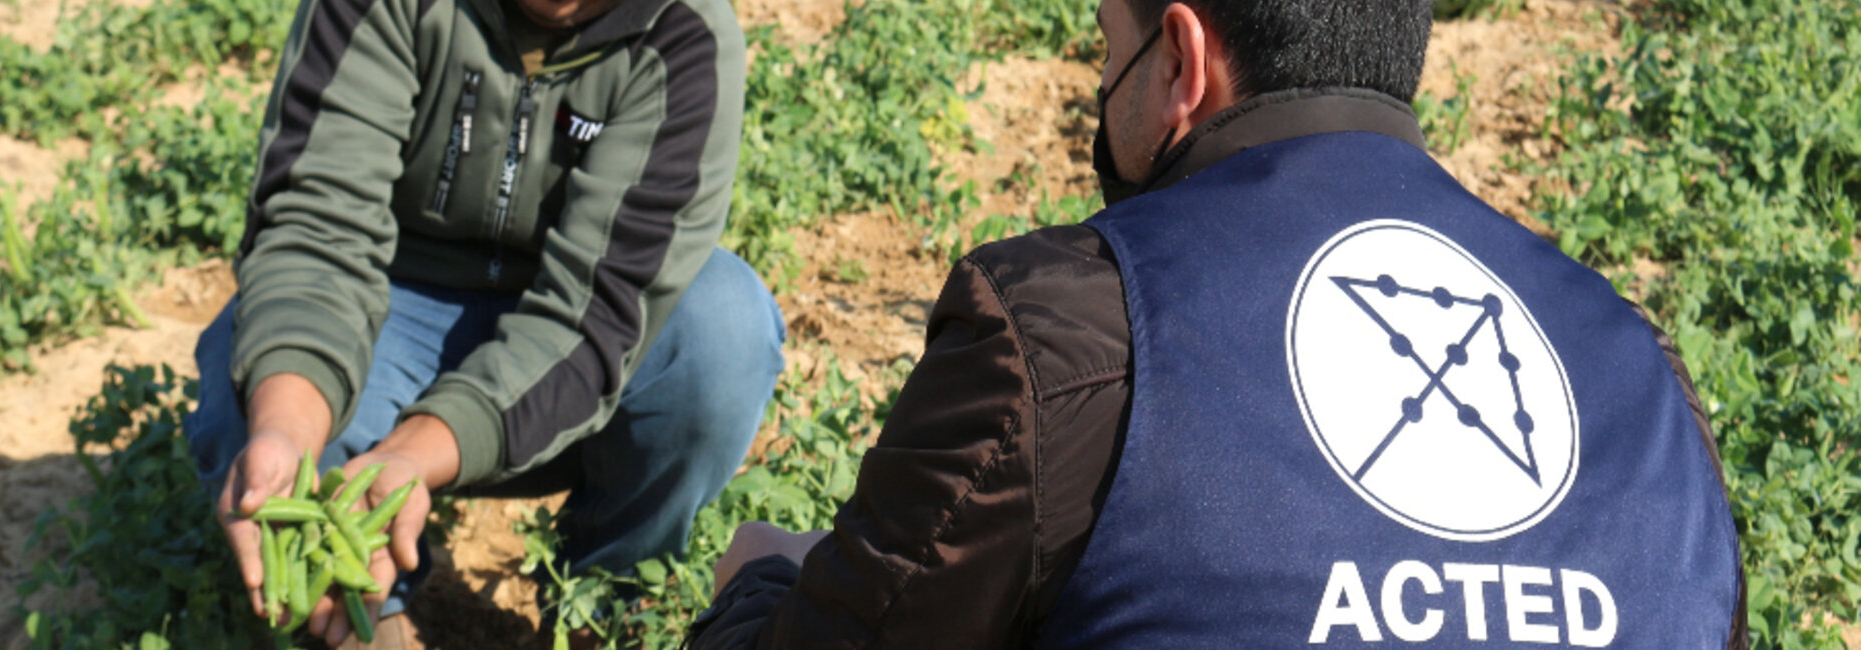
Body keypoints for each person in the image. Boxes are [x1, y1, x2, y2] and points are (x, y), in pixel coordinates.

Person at [688, 0, 1748, 647]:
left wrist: (759, 588)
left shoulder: (1070, 324)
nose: (1099, 86)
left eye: (1108, 49)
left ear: (1181, 61)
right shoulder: (1637, 366)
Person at [186, 0, 779, 645]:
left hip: (569, 342)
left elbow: (598, 315)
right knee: (259, 376)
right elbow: (316, 229)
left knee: (721, 331)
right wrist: (287, 428)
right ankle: (364, 611)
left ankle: (604, 604)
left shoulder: (681, 31)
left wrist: (414, 454)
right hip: (391, 306)